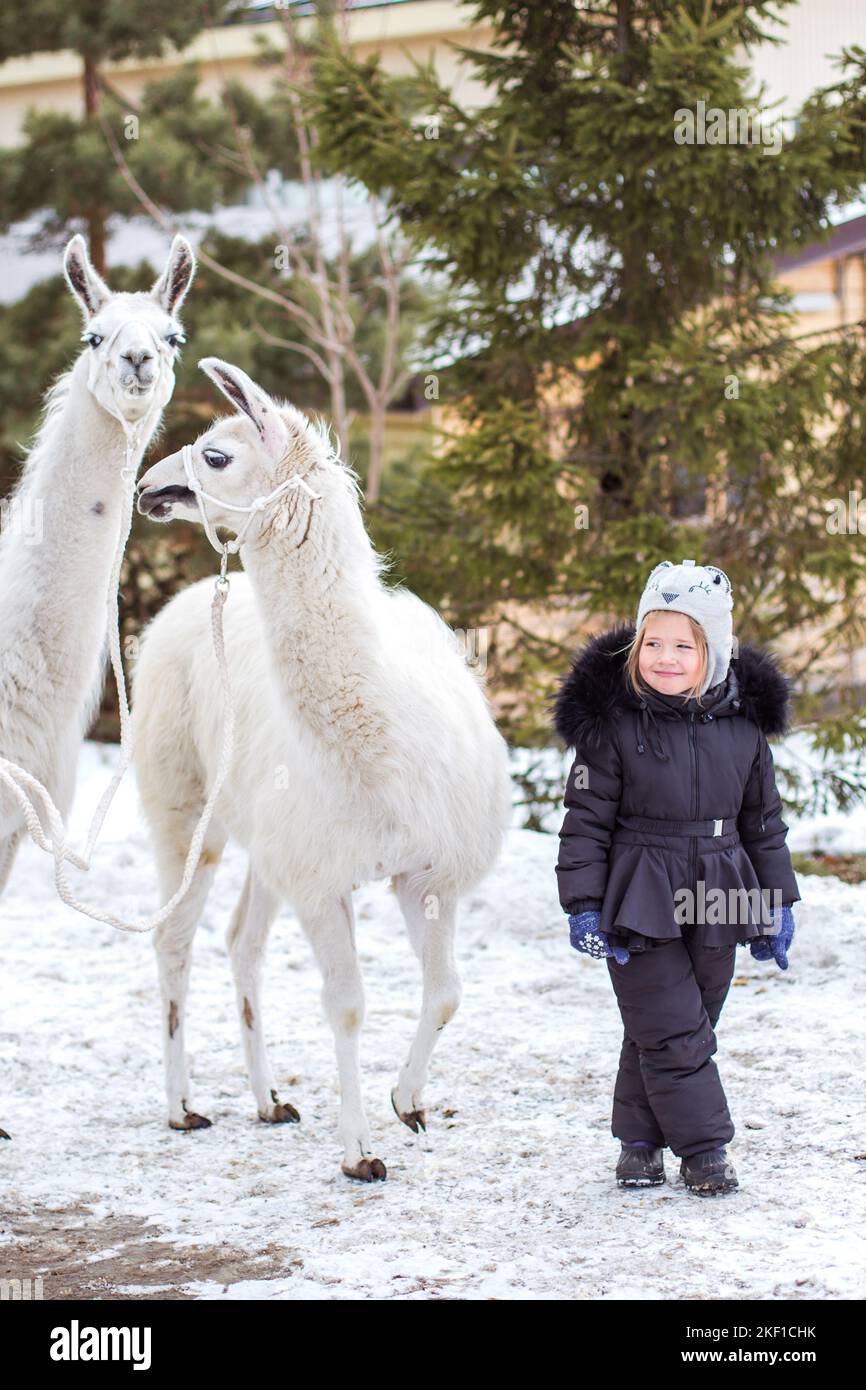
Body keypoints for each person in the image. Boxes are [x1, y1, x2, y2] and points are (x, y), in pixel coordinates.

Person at [551, 559, 800, 1196]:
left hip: (720, 889)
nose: (665, 658)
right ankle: (704, 1150)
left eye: (683, 646)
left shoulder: (744, 728)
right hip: (639, 894)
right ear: (636, 647)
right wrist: (583, 904)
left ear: (712, 650)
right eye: (652, 643)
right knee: (671, 1029)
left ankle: (639, 1143)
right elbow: (585, 823)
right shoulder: (613, 726)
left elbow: (763, 824)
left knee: (681, 1025)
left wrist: (777, 903)